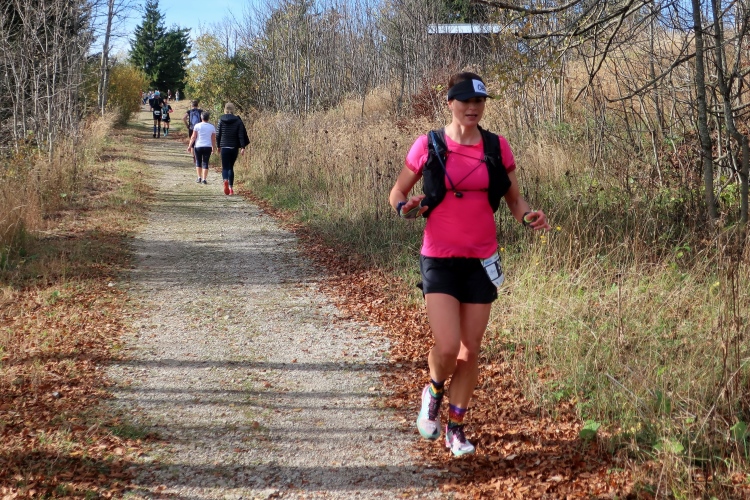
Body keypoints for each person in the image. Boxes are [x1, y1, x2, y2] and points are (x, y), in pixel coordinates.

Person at [389, 72, 551, 457]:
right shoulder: (428, 144)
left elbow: (515, 200)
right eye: (465, 101)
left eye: (479, 101)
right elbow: (398, 191)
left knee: (470, 350)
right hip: (439, 259)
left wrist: (528, 217)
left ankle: (456, 430)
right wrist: (405, 208)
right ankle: (433, 392)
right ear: (450, 103)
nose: (473, 108)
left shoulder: (497, 146)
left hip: (481, 260)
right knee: (447, 347)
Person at [216, 102, 250, 195]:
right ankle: (231, 189)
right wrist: (242, 147)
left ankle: (225, 180)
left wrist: (218, 146)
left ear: (225, 109)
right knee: (231, 167)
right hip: (234, 147)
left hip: (224, 146)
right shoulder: (238, 121)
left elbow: (218, 134)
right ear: (233, 109)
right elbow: (241, 135)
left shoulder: (221, 120)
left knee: (225, 167)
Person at [187, 111, 217, 184]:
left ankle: (199, 177)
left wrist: (190, 146)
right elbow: (213, 139)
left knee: (198, 161)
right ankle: (204, 179)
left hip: (198, 146)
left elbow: (193, 137)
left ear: (201, 117)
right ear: (208, 118)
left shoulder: (197, 126)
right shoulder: (212, 127)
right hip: (208, 146)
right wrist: (213, 148)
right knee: (205, 162)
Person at [183, 100, 203, 166]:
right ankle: (198, 156)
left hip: (191, 128)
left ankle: (194, 157)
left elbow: (184, 118)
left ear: (192, 105)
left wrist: (187, 125)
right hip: (199, 128)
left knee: (192, 143)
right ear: (197, 105)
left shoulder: (189, 111)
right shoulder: (200, 111)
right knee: (199, 141)